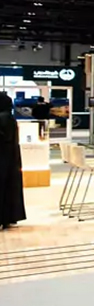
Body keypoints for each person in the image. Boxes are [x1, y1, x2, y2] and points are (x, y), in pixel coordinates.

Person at [0, 93, 26, 230]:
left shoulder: (2, 118)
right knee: (8, 189)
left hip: (2, 159)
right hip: (10, 159)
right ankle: (7, 218)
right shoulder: (9, 118)